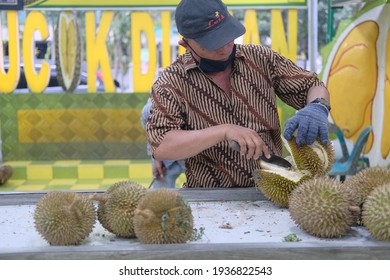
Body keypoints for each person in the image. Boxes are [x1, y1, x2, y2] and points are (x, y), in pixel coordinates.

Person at [145, 0, 331, 188]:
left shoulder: (261, 58)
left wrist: (318, 106)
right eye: (212, 43)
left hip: (272, 188)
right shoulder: (171, 82)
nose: (224, 47)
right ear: (186, 43)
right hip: (210, 197)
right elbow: (162, 145)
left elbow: (311, 85)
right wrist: (223, 131)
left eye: (227, 36)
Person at [141, 97, 185, 188]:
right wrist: (157, 157)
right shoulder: (151, 109)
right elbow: (148, 124)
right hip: (163, 152)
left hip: (193, 149)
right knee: (160, 189)